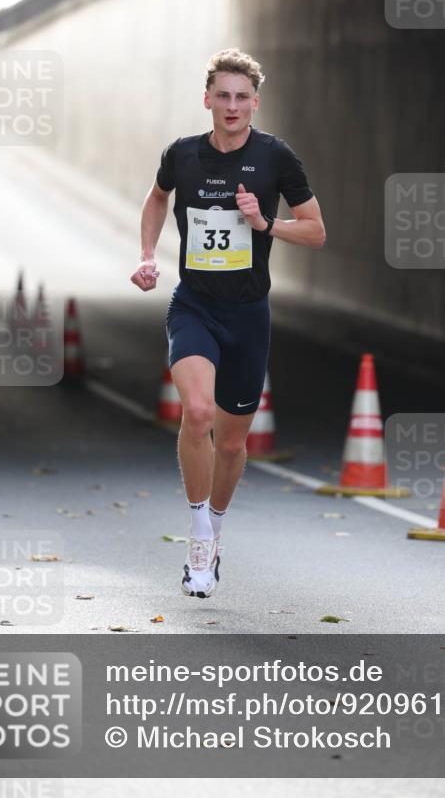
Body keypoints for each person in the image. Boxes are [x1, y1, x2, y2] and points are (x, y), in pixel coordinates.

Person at [131, 48, 325, 598]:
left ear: (254, 103)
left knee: (233, 444)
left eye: (242, 97)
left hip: (248, 315)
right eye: (223, 96)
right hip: (194, 304)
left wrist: (266, 224)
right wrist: (148, 254)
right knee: (195, 413)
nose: (232, 106)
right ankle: (196, 535)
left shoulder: (275, 158)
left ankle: (215, 527)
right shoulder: (182, 155)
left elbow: (316, 230)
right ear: (208, 100)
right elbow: (156, 198)